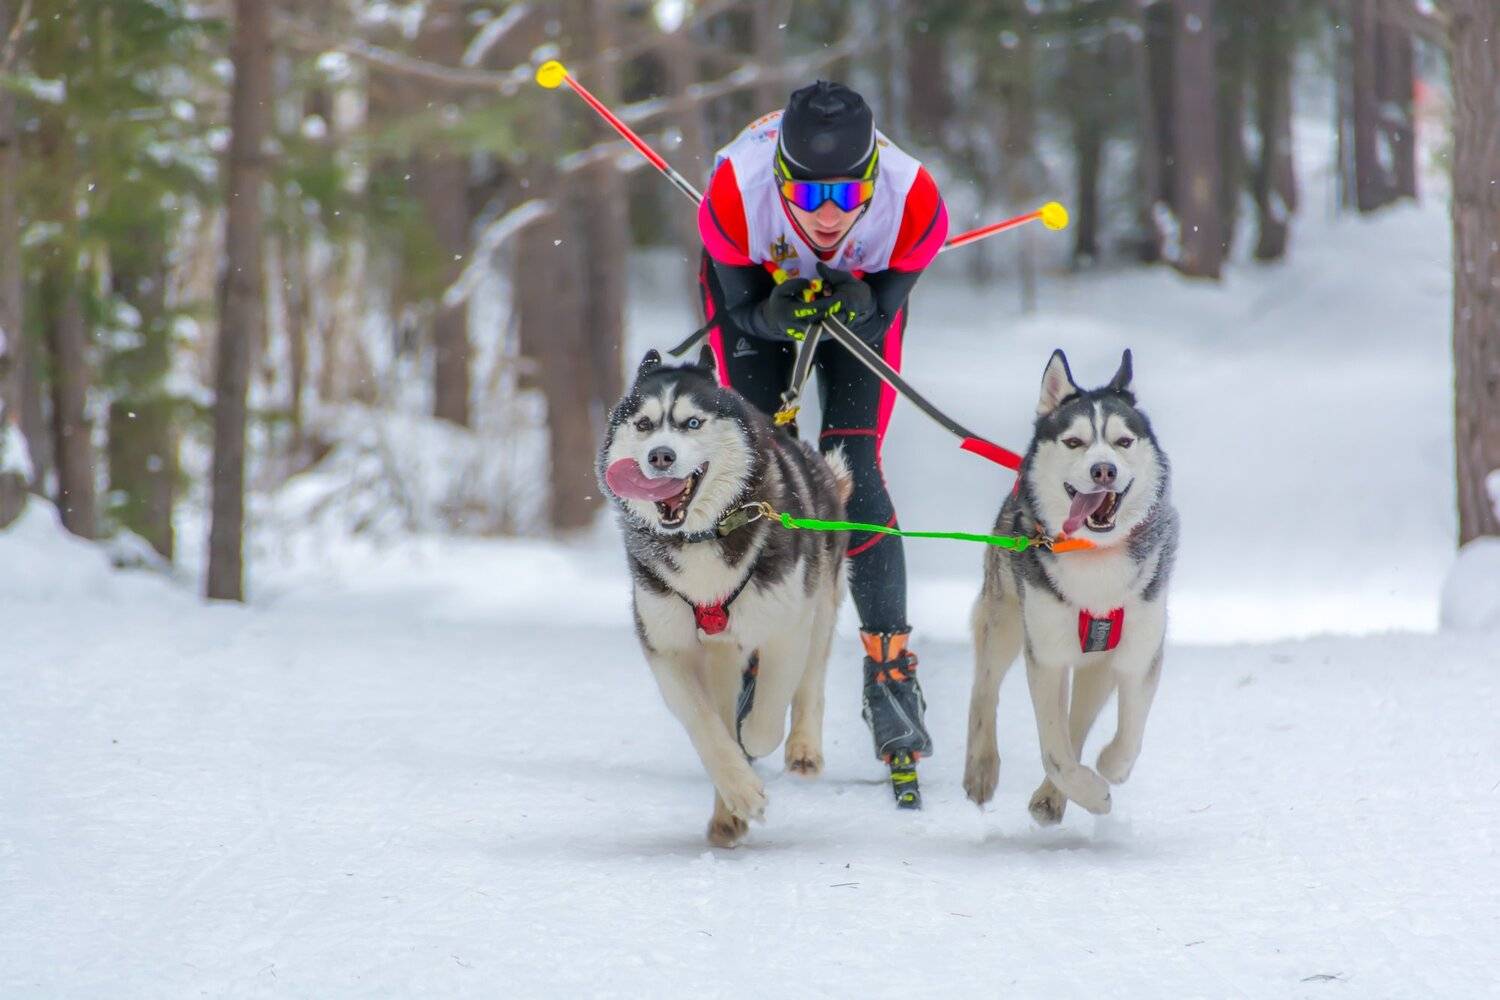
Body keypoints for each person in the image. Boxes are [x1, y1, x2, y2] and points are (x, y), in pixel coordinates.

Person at [695, 80, 949, 804]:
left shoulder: (915, 202)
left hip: (860, 296)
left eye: (846, 195)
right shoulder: (736, 191)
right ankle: (753, 649)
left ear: (874, 176)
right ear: (780, 180)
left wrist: (869, 302)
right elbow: (737, 311)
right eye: (807, 198)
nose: (830, 215)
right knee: (761, 466)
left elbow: (889, 303)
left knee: (853, 468)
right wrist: (768, 317)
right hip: (758, 290)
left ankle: (890, 668)